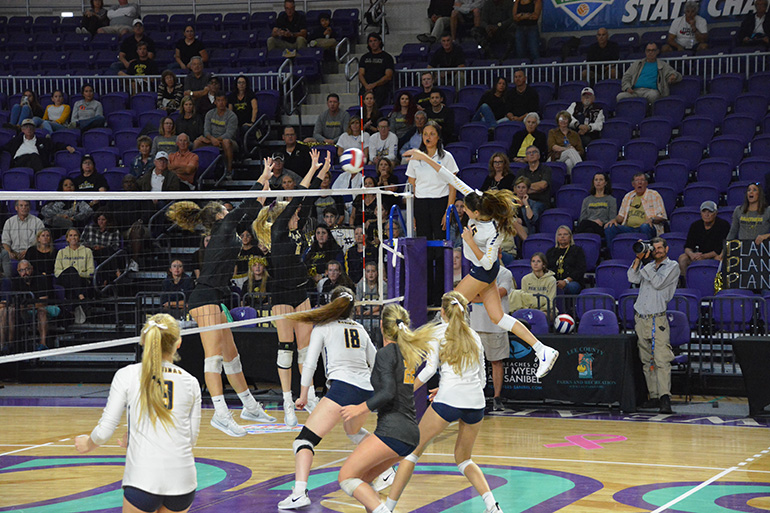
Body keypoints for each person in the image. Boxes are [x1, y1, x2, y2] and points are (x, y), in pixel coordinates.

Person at [404, 145, 560, 378]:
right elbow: (450, 177)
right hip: (485, 271)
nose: (463, 211)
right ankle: (542, 349)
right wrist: (424, 158)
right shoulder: (478, 199)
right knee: (498, 318)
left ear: (476, 214)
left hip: (483, 270)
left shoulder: (493, 232)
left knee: (449, 306)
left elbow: (488, 264)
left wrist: (470, 241)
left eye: (465, 210)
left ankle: (434, 357)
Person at [166, 163, 276, 437]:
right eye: (226, 209)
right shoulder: (224, 226)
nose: (229, 211)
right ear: (219, 214)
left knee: (231, 356)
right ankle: (220, 413)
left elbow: (253, 207)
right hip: (204, 299)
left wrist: (267, 181)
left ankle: (249, 406)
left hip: (215, 299)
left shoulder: (226, 230)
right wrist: (262, 177)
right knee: (213, 358)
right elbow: (247, 204)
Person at [385, 291, 504, 513]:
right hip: (476, 404)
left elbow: (429, 370)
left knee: (413, 451)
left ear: (442, 312)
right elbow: (481, 379)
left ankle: (387, 508)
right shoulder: (474, 335)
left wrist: (405, 391)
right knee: (464, 459)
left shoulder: (438, 332)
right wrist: (450, 387)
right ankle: (493, 506)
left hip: (449, 400)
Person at [74, 314, 201, 513]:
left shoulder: (127, 375)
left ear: (143, 340)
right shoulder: (191, 382)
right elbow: (190, 439)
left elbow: (106, 430)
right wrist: (136, 435)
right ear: (178, 343)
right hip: (182, 481)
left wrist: (88, 444)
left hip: (144, 480)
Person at [277, 286, 378, 509]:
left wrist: (303, 395)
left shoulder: (323, 327)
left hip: (343, 387)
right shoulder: (360, 328)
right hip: (366, 389)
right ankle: (385, 472)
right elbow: (377, 360)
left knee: (304, 441)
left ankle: (299, 493)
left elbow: (310, 364)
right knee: (353, 432)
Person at [252, 150, 331, 427]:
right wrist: (309, 168)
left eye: (298, 210)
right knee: (285, 349)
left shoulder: (301, 225)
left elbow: (306, 199)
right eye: (294, 210)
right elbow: (299, 195)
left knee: (305, 350)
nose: (298, 212)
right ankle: (287, 402)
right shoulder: (279, 230)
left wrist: (321, 171)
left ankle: (305, 397)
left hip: (300, 291)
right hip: (281, 292)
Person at [337, 303, 435, 513]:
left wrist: (359, 409)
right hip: (409, 433)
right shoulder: (406, 353)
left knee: (346, 477)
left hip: (393, 431)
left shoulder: (386, 353)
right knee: (363, 480)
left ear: (381, 325)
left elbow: (388, 392)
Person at [406, 120, 458, 306]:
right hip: (420, 204)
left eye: (432, 134)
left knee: (439, 251)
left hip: (440, 202)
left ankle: (441, 295)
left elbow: (453, 186)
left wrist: (448, 211)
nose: (428, 137)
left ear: (438, 137)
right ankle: (426, 296)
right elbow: (410, 187)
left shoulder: (447, 157)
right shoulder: (415, 158)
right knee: (424, 250)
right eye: (425, 134)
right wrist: (411, 212)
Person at [628, 237, 679, 414]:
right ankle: (654, 396)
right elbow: (632, 277)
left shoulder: (672, 266)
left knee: (661, 359)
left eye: (659, 248)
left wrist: (648, 262)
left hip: (657, 319)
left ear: (666, 249)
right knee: (646, 360)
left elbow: (658, 283)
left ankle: (665, 397)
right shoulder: (647, 266)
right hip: (641, 318)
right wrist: (638, 258)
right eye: (654, 248)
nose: (656, 250)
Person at [469, 260, 512, 412]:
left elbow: (499, 294)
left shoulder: (505, 273)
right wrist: (487, 297)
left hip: (496, 326)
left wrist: (479, 295)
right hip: (475, 326)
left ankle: (497, 397)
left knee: (496, 362)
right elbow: (467, 296)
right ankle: (475, 397)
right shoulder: (474, 272)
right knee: (473, 364)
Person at [605, 172, 667, 255]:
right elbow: (621, 216)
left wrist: (651, 219)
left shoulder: (654, 195)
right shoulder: (628, 196)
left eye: (642, 180)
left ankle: (647, 255)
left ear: (646, 183)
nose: (640, 183)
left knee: (644, 226)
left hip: (647, 228)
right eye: (637, 181)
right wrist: (614, 220)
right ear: (633, 184)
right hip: (629, 228)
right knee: (610, 227)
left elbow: (662, 216)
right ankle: (612, 255)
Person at [2, 259, 54, 351]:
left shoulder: (41, 279)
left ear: (31, 269)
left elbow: (43, 302)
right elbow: (15, 303)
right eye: (21, 270)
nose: (25, 273)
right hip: (24, 309)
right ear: (18, 272)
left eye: (27, 269)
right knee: (11, 311)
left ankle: (43, 343)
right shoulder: (16, 281)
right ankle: (10, 344)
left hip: (43, 307)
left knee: (42, 311)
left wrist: (27, 306)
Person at [679, 200, 730, 281]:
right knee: (683, 258)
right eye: (704, 211)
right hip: (698, 255)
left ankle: (718, 284)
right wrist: (692, 254)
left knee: (719, 259)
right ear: (700, 213)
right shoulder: (695, 225)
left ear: (716, 213)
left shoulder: (723, 225)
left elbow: (720, 248)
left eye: (710, 212)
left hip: (714, 255)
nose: (707, 215)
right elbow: (688, 246)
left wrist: (704, 256)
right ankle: (686, 283)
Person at [616, 43, 682, 105]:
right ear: (645, 52)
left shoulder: (662, 65)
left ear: (657, 52)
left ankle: (650, 114)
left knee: (653, 95)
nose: (650, 52)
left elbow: (675, 74)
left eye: (653, 50)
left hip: (651, 91)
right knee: (620, 96)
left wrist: (673, 76)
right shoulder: (637, 64)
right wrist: (627, 87)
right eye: (648, 50)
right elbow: (626, 76)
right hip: (634, 91)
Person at [2, 118, 75, 172]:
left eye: (31, 127)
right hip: (20, 161)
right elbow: (4, 147)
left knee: (34, 157)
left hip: (36, 161)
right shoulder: (16, 141)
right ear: (22, 130)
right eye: (26, 127)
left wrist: (66, 146)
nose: (28, 129)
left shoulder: (42, 141)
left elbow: (55, 145)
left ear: (34, 129)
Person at [54, 228, 94, 324]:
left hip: (82, 280)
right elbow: (57, 271)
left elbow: (91, 271)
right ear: (67, 238)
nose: (73, 238)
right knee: (71, 270)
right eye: (70, 235)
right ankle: (81, 298)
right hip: (64, 279)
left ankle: (72, 310)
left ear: (79, 237)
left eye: (75, 235)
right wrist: (71, 274)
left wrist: (76, 275)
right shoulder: (61, 252)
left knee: (73, 273)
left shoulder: (87, 251)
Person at [195, 93, 239, 177]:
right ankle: (197, 170)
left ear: (226, 101)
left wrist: (216, 140)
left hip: (229, 142)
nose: (221, 103)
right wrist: (212, 139)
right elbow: (206, 131)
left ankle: (229, 171)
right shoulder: (209, 114)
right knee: (197, 142)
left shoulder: (232, 116)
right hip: (212, 140)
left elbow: (229, 134)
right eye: (218, 100)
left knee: (226, 142)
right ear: (215, 102)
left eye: (223, 100)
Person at [546, 225, 586, 295]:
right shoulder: (551, 252)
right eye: (560, 235)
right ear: (557, 237)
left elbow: (580, 269)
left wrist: (566, 281)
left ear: (570, 237)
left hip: (572, 281)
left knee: (571, 287)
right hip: (554, 281)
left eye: (565, 234)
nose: (562, 236)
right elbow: (547, 268)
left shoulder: (577, 250)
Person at [358, 32, 395, 108]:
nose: (373, 43)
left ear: (379, 42)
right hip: (366, 86)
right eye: (370, 41)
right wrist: (366, 86)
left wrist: (374, 85)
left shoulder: (387, 57)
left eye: (375, 40)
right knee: (362, 93)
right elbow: (361, 74)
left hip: (381, 87)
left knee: (381, 92)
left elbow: (388, 76)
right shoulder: (364, 57)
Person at [576, 172, 617, 239]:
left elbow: (612, 219)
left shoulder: (611, 200)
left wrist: (602, 223)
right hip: (587, 226)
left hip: (602, 227)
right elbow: (582, 219)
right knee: (589, 230)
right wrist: (593, 222)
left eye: (601, 180)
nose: (598, 182)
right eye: (596, 180)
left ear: (605, 183)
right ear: (593, 182)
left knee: (585, 225)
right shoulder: (587, 200)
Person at [515, 145, 551, 219]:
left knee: (529, 210)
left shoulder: (546, 169)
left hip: (540, 201)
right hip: (524, 199)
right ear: (526, 157)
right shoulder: (522, 171)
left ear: (539, 155)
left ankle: (531, 230)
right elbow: (515, 188)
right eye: (529, 153)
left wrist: (525, 188)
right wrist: (535, 188)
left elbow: (543, 185)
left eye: (534, 152)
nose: (531, 154)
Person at [546, 110, 584, 175]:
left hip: (570, 156)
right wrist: (568, 149)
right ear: (558, 121)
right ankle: (582, 171)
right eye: (561, 119)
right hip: (555, 157)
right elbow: (553, 147)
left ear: (569, 121)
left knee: (569, 162)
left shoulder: (574, 134)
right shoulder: (552, 132)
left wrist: (575, 152)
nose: (563, 121)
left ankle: (571, 181)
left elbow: (581, 151)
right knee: (570, 151)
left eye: (565, 119)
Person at [228, 75, 259, 141]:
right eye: (239, 82)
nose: (241, 84)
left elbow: (255, 109)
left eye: (243, 83)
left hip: (248, 123)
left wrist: (252, 123)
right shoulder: (232, 96)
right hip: (236, 123)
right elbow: (230, 112)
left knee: (245, 128)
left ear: (246, 84)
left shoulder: (251, 95)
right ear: (236, 84)